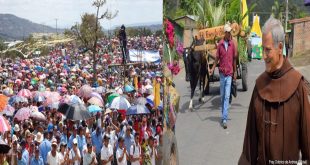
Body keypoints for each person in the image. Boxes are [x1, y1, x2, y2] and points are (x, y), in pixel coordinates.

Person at [238, 16, 310, 164]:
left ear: (279, 47)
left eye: (267, 50)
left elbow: (308, 139)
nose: (263, 56)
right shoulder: (259, 86)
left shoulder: (297, 85)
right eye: (262, 49)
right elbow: (250, 142)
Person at [209, 23, 237, 129]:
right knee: (222, 96)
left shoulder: (232, 44)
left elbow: (234, 59)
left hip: (229, 73)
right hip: (221, 74)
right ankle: (223, 115)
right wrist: (212, 69)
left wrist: (234, 72)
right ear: (225, 33)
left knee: (227, 96)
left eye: (230, 32)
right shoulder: (220, 44)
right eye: (228, 32)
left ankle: (224, 118)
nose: (230, 34)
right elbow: (216, 59)